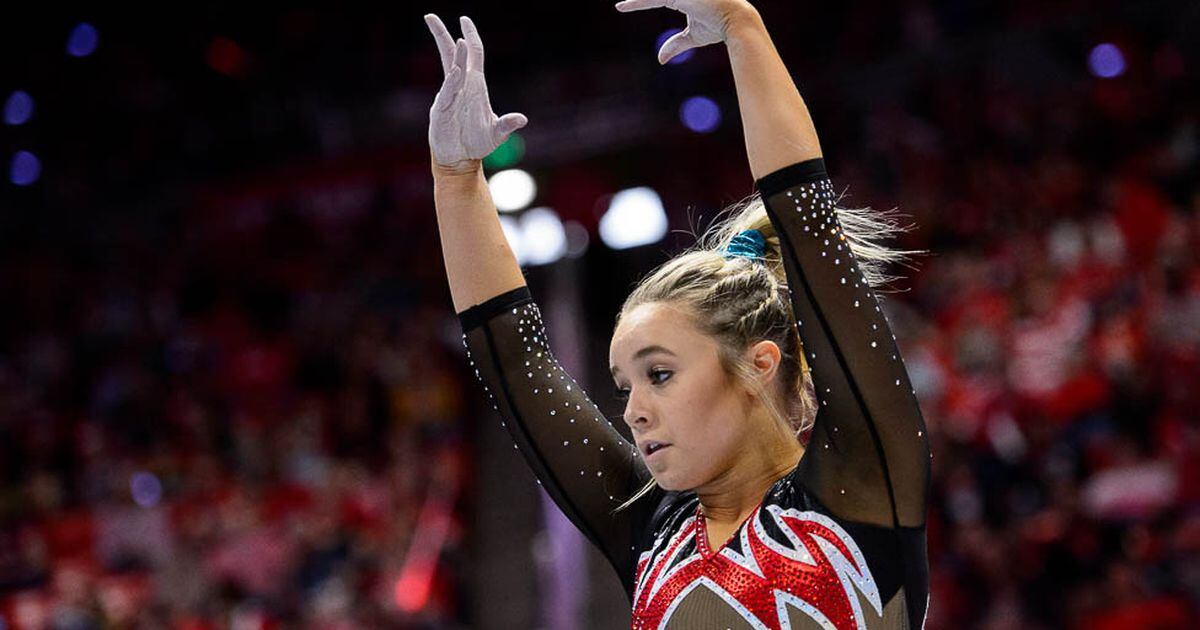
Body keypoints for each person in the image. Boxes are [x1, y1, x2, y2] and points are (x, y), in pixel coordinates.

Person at [425, 1, 931, 627]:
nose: (633, 410)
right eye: (624, 385)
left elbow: (806, 220)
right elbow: (515, 360)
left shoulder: (861, 485)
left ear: (757, 365)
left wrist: (742, 29)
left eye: (659, 373)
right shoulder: (650, 535)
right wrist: (455, 180)